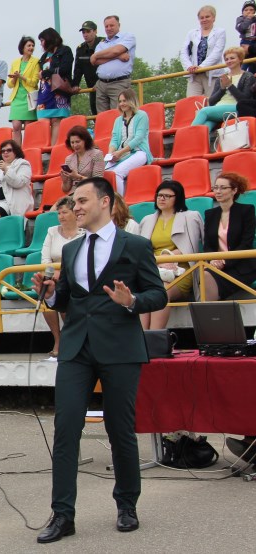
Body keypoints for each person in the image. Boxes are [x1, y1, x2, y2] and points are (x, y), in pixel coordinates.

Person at [31, 177, 167, 544]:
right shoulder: (71, 249)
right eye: (73, 202)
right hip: (76, 347)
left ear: (105, 202)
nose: (75, 207)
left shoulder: (135, 245)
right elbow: (66, 299)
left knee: (119, 429)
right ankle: (63, 514)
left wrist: (132, 301)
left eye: (82, 200)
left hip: (120, 347)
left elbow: (158, 294)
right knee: (65, 428)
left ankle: (127, 504)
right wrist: (50, 295)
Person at [138, 182, 203, 330]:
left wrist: (168, 257)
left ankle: (154, 335)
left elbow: (190, 248)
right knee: (144, 291)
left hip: (181, 270)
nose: (161, 199)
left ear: (177, 198)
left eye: (167, 196)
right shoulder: (147, 220)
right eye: (159, 195)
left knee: (162, 291)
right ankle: (142, 336)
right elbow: (141, 251)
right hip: (154, 268)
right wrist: (159, 262)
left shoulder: (191, 217)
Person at [41, 196, 84, 360]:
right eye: (59, 213)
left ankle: (70, 337)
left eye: (65, 212)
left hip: (75, 274)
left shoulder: (84, 231)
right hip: (55, 274)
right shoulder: (52, 231)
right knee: (46, 291)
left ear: (74, 213)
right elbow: (45, 259)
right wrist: (55, 273)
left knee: (65, 293)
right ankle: (58, 340)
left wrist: (63, 273)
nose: (61, 216)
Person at [202, 172, 256, 301]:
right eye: (215, 188)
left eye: (223, 188)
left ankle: (212, 311)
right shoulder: (210, 214)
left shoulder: (246, 210)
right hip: (217, 265)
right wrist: (212, 260)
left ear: (234, 190)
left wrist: (225, 261)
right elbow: (207, 244)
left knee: (208, 278)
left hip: (241, 266)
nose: (218, 191)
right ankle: (212, 312)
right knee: (205, 275)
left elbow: (246, 243)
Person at [191, 47, 255, 135]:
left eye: (232, 58)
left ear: (240, 59)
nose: (229, 61)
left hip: (235, 107)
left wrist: (230, 86)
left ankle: (187, 136)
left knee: (203, 111)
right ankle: (196, 141)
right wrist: (222, 89)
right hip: (217, 108)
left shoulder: (248, 76)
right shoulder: (221, 78)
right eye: (226, 59)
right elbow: (212, 101)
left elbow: (244, 100)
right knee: (206, 126)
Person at [105, 88, 152, 195]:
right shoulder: (118, 120)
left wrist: (120, 152)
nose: (122, 104)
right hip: (121, 153)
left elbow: (138, 138)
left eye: (124, 101)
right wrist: (111, 154)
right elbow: (114, 139)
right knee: (105, 174)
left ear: (131, 100)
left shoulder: (142, 115)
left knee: (117, 173)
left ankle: (119, 202)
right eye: (120, 101)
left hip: (139, 152)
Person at [91, 16, 136, 113]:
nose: (109, 28)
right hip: (101, 84)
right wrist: (117, 56)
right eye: (106, 26)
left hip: (119, 83)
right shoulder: (101, 43)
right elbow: (95, 61)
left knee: (118, 115)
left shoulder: (128, 36)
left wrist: (97, 55)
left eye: (111, 25)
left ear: (119, 25)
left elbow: (116, 50)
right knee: (102, 117)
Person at [36, 28, 74, 144]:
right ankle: (44, 149)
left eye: (42, 40)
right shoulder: (44, 56)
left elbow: (65, 68)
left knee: (57, 121)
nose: (41, 44)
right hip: (45, 92)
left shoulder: (65, 50)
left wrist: (46, 73)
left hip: (59, 90)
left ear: (49, 39)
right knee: (42, 121)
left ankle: (54, 149)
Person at [180, 6, 227, 97]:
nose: (204, 19)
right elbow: (184, 52)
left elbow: (217, 53)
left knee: (212, 101)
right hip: (194, 75)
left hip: (212, 74)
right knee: (192, 101)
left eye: (207, 17)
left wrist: (201, 67)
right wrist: (189, 67)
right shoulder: (191, 33)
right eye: (201, 18)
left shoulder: (220, 32)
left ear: (214, 18)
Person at [8, 36, 40, 144]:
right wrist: (14, 78)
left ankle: (28, 149)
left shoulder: (36, 62)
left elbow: (34, 82)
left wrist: (21, 77)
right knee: (16, 126)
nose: (31, 48)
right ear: (22, 47)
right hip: (17, 97)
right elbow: (9, 84)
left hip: (29, 97)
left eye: (32, 46)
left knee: (28, 127)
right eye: (28, 45)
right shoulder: (15, 62)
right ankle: (17, 151)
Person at [60, 125, 105, 197]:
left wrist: (78, 177)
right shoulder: (69, 159)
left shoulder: (97, 154)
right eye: (72, 142)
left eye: (77, 142)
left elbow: (98, 182)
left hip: (91, 193)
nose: (75, 145)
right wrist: (65, 181)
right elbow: (66, 189)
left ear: (85, 141)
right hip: (74, 194)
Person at [71, 21, 104, 115]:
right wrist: (75, 84)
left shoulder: (104, 43)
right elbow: (78, 69)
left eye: (88, 31)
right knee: (95, 114)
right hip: (92, 88)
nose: (85, 34)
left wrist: (100, 82)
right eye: (83, 32)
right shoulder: (80, 49)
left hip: (105, 85)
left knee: (108, 114)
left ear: (95, 31)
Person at [236, 1, 256, 72]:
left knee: (253, 63)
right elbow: (241, 28)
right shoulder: (240, 19)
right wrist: (248, 19)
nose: (249, 12)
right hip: (245, 41)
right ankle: (240, 73)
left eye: (251, 10)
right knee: (243, 63)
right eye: (246, 10)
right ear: (242, 12)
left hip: (254, 42)